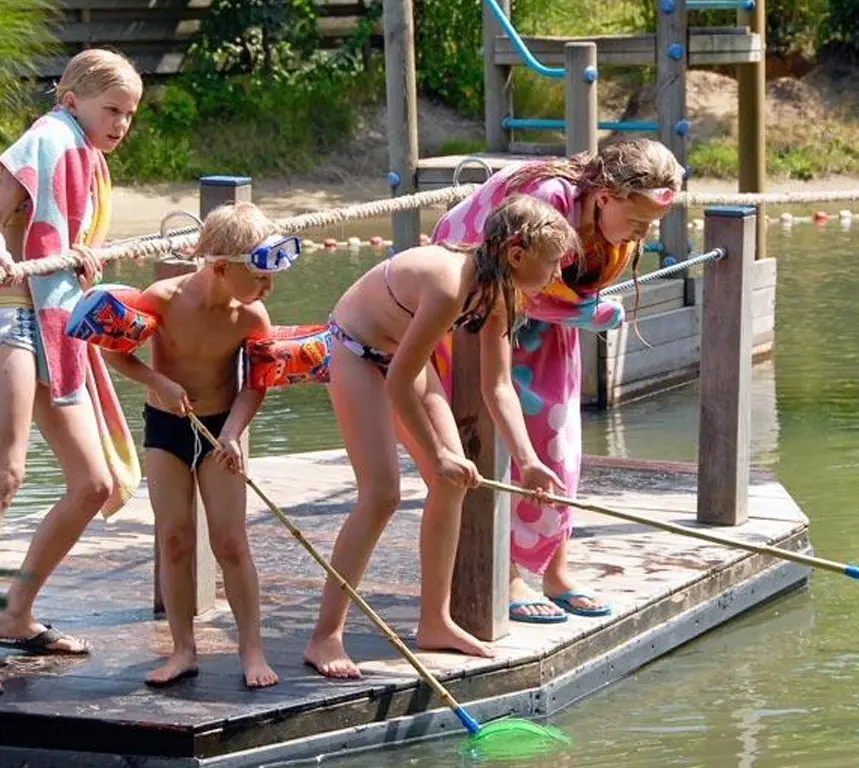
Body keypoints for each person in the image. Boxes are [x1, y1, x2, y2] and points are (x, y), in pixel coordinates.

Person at [303, 194, 574, 679]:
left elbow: (498, 387)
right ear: (516, 255)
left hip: (398, 357)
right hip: (354, 350)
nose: (556, 276)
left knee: (451, 482)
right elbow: (398, 383)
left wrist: (528, 459)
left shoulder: (499, 295)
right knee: (381, 494)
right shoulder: (450, 286)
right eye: (551, 263)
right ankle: (326, 635)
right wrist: (438, 454)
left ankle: (435, 621)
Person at [431, 139, 682, 623]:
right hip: (483, 311)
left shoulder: (606, 220)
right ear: (605, 196)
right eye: (638, 221)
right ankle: (506, 574)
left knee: (560, 444)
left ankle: (554, 568)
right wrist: (581, 310)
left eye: (649, 226)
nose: (641, 235)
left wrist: (579, 309)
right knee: (502, 442)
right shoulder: (546, 199)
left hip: (551, 323)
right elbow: (506, 274)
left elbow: (571, 280)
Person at [103, 202, 296, 688]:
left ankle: (251, 649)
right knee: (174, 538)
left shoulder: (252, 314)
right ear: (219, 267)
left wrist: (232, 431)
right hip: (166, 428)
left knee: (230, 541)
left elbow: (256, 383)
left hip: (220, 430)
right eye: (258, 276)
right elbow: (116, 353)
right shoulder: (163, 299)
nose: (268, 288)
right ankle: (183, 649)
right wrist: (158, 383)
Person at [0, 49, 143, 666]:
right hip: (10, 316)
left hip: (57, 326)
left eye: (130, 115)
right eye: (111, 109)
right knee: (6, 473)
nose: (120, 124)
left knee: (94, 483)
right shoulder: (46, 138)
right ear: (70, 101)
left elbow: (59, 232)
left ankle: (15, 613)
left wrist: (80, 253)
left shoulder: (89, 162)